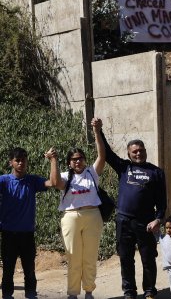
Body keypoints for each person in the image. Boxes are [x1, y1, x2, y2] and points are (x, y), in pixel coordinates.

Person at [101, 131, 167, 299]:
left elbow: (162, 201)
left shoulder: (156, 172)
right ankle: (129, 292)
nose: (138, 153)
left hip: (145, 222)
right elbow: (107, 153)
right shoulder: (124, 167)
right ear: (129, 154)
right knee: (125, 258)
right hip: (123, 221)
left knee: (148, 258)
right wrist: (98, 130)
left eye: (141, 150)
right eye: (135, 151)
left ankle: (150, 291)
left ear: (145, 151)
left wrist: (158, 219)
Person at [53, 118, 106, 299]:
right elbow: (55, 183)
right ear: (69, 162)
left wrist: (97, 132)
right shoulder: (65, 176)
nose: (78, 162)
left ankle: (89, 291)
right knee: (73, 256)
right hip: (71, 216)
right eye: (74, 159)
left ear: (84, 160)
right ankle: (73, 293)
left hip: (92, 215)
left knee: (90, 257)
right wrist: (53, 160)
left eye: (80, 158)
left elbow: (102, 156)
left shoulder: (91, 172)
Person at [0, 146, 60, 299]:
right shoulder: (4, 181)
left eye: (23, 160)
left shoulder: (32, 181)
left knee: (29, 270)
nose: (21, 163)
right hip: (8, 234)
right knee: (8, 269)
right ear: (11, 163)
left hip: (27, 234)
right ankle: (7, 296)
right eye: (17, 160)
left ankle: (31, 295)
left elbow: (53, 183)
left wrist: (53, 160)